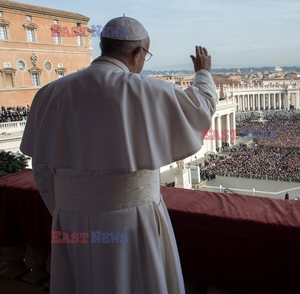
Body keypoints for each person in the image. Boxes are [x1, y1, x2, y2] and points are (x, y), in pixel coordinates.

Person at [20, 17, 216, 294]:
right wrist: (204, 73)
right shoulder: (148, 90)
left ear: (103, 46)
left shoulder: (50, 93)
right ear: (138, 54)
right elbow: (201, 109)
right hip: (133, 218)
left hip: (71, 219)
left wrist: (67, 207)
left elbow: (41, 167)